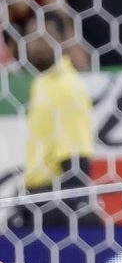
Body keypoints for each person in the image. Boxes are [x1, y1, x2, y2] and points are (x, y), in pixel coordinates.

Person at [10, 14, 98, 228]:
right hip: (35, 195)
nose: (36, 44)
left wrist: (68, 202)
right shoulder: (41, 83)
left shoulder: (67, 86)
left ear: (62, 40)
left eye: (44, 36)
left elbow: (76, 158)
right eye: (31, 37)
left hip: (55, 196)